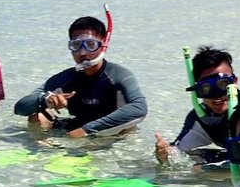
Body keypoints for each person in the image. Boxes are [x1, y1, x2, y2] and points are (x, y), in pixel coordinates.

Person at [13, 15, 147, 137]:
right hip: (76, 129)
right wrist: (46, 100)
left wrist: (86, 130)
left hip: (110, 133)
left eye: (90, 45)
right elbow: (20, 108)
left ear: (103, 45)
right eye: (76, 46)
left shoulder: (119, 75)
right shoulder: (66, 78)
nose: (82, 53)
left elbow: (139, 108)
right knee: (37, 116)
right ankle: (43, 152)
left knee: (128, 129)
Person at [155, 45, 240, 166]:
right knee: (193, 159)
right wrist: (164, 155)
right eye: (206, 88)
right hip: (234, 158)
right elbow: (176, 155)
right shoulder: (201, 119)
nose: (217, 95)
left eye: (223, 84)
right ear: (196, 91)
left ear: (235, 82)